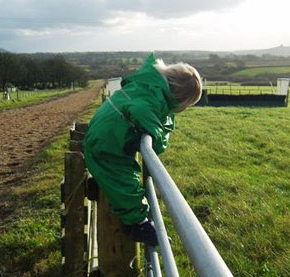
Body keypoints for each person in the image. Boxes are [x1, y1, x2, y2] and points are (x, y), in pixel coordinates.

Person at [83, 53, 202, 246]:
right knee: (124, 183)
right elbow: (141, 113)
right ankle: (136, 223)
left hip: (108, 136)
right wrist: (156, 133)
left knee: (124, 178)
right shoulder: (150, 99)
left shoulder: (148, 87)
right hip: (106, 145)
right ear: (178, 98)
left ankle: (139, 219)